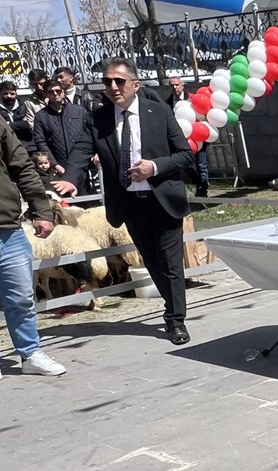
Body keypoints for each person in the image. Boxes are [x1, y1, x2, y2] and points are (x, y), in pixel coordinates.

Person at [91, 57, 196, 345]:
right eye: (108, 82)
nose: (113, 87)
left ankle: (175, 320)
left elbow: (185, 155)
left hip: (163, 199)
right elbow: (80, 150)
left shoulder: (159, 112)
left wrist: (155, 167)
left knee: (171, 262)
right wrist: (69, 176)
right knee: (151, 262)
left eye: (119, 81)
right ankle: (173, 307)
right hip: (130, 203)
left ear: (135, 84)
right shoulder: (99, 118)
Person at [0, 105, 68, 393]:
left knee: (21, 299)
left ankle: (30, 353)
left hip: (7, 229)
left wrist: (42, 210)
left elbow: (22, 167)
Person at [32, 79, 94, 197]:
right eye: (51, 92)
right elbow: (41, 142)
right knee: (65, 205)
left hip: (82, 167)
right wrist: (55, 164)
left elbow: (90, 135)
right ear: (46, 94)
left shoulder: (79, 111)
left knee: (87, 203)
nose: (55, 94)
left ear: (63, 92)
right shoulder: (41, 116)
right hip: (58, 168)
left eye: (58, 91)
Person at [166, 78, 210, 198]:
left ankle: (203, 191)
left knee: (201, 165)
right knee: (188, 166)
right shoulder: (167, 103)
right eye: (172, 86)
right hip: (182, 140)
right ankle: (199, 184)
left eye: (177, 85)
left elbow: (202, 115)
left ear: (182, 86)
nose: (174, 88)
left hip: (198, 137)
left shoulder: (192, 99)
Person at [0, 81, 32, 148]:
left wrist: (8, 124)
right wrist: (19, 124)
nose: (9, 96)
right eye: (6, 93)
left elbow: (27, 124)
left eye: (12, 94)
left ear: (16, 93)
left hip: (27, 145)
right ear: (0, 93)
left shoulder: (24, 106)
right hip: (6, 146)